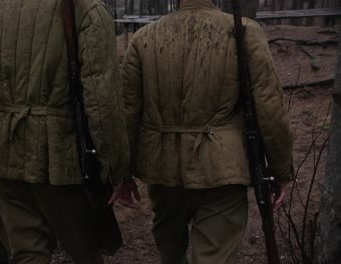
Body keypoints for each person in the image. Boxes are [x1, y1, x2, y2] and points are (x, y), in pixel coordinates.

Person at [0, 0, 139, 263]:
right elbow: (102, 102)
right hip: (61, 162)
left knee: (27, 256)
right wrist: (116, 170)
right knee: (86, 256)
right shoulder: (85, 8)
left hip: (3, 159)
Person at [121, 0, 293, 263]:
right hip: (222, 172)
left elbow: (128, 113)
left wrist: (122, 174)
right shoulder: (243, 30)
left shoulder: (144, 39)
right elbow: (269, 108)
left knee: (170, 252)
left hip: (163, 170)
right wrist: (280, 169)